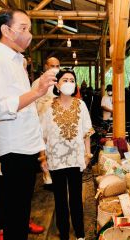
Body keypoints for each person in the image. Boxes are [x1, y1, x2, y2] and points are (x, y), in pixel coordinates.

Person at [0, 8, 56, 240]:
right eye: (23, 28)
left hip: (25, 145)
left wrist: (39, 148)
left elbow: (27, 110)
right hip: (13, 148)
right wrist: (37, 91)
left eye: (30, 29)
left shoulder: (16, 62)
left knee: (22, 212)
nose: (28, 35)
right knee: (14, 216)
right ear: (6, 30)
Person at [0, 98, 45, 240]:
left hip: (24, 151)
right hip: (1, 150)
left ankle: (24, 222)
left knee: (23, 193)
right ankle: (2, 227)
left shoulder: (25, 90)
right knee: (2, 191)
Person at [40, 68, 94, 240]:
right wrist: (42, 157)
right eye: (65, 80)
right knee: (60, 199)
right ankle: (63, 233)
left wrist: (88, 154)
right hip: (55, 159)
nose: (69, 83)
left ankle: (80, 234)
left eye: (72, 80)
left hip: (76, 158)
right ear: (57, 83)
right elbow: (41, 134)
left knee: (76, 199)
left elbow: (86, 132)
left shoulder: (81, 104)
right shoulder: (48, 106)